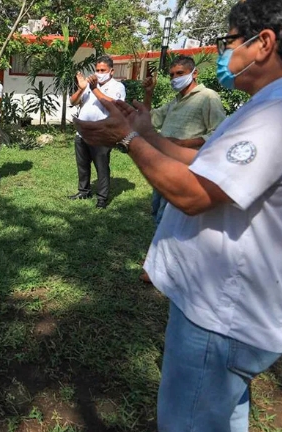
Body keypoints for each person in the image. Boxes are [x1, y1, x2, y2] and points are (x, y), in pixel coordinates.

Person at [73, 0, 282, 429]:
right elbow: (203, 162)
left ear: (263, 43)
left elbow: (192, 193)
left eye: (228, 42)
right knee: (223, 417)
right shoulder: (262, 107)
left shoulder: (273, 115)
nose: (224, 54)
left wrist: (128, 139)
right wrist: (145, 132)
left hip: (221, 315)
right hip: (223, 310)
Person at [139, 56, 226, 283]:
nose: (175, 79)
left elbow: (219, 132)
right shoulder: (176, 101)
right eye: (172, 75)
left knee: (168, 216)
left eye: (179, 73)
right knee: (159, 211)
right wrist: (148, 93)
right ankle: (162, 264)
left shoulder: (208, 97)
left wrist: (181, 144)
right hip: (165, 164)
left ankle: (159, 269)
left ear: (193, 73)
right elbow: (149, 119)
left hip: (187, 166)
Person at [68, 55, 126, 208]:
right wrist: (81, 89)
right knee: (82, 165)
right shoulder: (89, 84)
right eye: (97, 69)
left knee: (101, 166)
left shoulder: (117, 87)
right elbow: (72, 102)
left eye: (103, 70)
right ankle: (83, 191)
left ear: (111, 71)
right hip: (82, 132)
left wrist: (94, 89)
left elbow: (113, 105)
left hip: (101, 135)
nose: (99, 72)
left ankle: (102, 198)